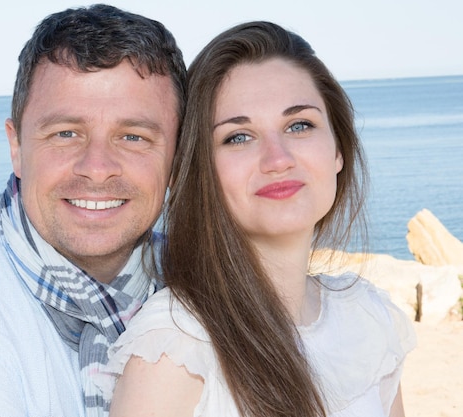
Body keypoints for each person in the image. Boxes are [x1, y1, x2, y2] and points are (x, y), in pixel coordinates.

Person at [0, 4, 186, 417]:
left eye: (132, 136)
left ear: (176, 160)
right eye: (66, 133)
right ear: (16, 148)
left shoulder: (201, 290)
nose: (96, 168)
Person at [98, 21, 416, 417]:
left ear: (338, 149)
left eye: (300, 125)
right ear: (197, 171)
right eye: (238, 137)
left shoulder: (367, 317)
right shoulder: (175, 348)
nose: (278, 159)